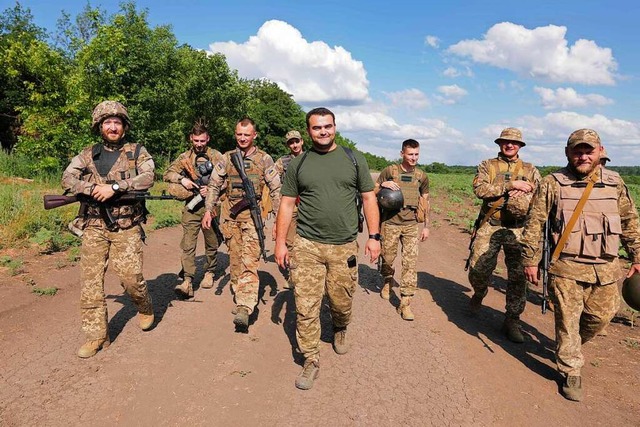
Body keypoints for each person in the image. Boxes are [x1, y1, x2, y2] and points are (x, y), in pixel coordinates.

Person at [522, 129, 640, 402]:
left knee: (601, 318)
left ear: (600, 151)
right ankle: (571, 368)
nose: (583, 156)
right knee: (567, 322)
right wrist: (531, 259)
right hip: (566, 267)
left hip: (607, 268)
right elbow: (535, 223)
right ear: (567, 152)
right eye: (577, 151)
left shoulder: (615, 183)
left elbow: (629, 221)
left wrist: (636, 255)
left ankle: (567, 346)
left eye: (589, 151)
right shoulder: (553, 183)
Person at [275, 107, 381, 390]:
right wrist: (280, 243)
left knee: (341, 300)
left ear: (335, 127)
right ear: (308, 131)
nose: (323, 131)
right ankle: (310, 359)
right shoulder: (299, 164)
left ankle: (340, 326)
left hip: (343, 245)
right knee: (306, 306)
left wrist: (374, 236)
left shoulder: (353, 159)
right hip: (307, 244)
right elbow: (286, 204)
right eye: (316, 127)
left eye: (327, 126)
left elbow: (369, 198)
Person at [61, 100, 155, 358]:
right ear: (99, 126)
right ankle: (96, 336)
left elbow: (148, 176)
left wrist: (115, 188)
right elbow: (67, 178)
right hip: (93, 226)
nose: (112, 127)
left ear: (124, 126)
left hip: (127, 225)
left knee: (130, 277)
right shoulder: (87, 154)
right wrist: (91, 189)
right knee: (90, 283)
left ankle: (144, 305)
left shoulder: (137, 152)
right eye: (107, 122)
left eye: (117, 122)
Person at [202, 117, 281, 329]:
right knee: (235, 262)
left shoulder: (264, 160)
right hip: (230, 219)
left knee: (249, 262)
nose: (243, 138)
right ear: (235, 135)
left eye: (247, 134)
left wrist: (278, 222)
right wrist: (209, 210)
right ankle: (240, 295)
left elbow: (276, 190)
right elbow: (214, 185)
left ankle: (245, 307)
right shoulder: (226, 158)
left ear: (254, 135)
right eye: (239, 134)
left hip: (252, 220)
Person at [467, 127, 541, 343]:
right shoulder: (487, 165)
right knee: (478, 270)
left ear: (520, 146)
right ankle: (479, 292)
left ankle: (512, 320)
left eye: (514, 142)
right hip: (491, 224)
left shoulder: (531, 169)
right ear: (500, 144)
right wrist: (511, 185)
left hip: (519, 228)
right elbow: (480, 190)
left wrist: (526, 192)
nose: (510, 145)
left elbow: (541, 196)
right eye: (506, 142)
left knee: (518, 277)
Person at [163, 119, 223, 298]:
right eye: (196, 141)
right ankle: (187, 279)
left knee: (211, 242)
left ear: (208, 139)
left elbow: (228, 177)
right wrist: (183, 180)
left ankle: (210, 271)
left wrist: (212, 187)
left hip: (211, 206)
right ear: (191, 138)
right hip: (192, 206)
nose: (199, 144)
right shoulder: (184, 158)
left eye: (202, 141)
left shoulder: (217, 156)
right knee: (188, 244)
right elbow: (167, 173)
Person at [375, 139, 430, 320]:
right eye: (410, 154)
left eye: (416, 154)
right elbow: (372, 190)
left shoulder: (421, 176)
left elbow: (425, 201)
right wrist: (382, 185)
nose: (413, 158)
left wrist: (426, 227)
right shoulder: (390, 171)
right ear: (402, 154)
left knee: (410, 263)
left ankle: (405, 302)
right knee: (388, 258)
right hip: (390, 223)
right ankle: (387, 280)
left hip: (411, 225)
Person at [272, 130, 305, 289]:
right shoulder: (282, 161)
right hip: (291, 205)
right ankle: (293, 276)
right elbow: (272, 180)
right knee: (290, 241)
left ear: (302, 141)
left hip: (309, 205)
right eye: (291, 142)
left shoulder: (311, 158)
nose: (294, 145)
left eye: (296, 141)